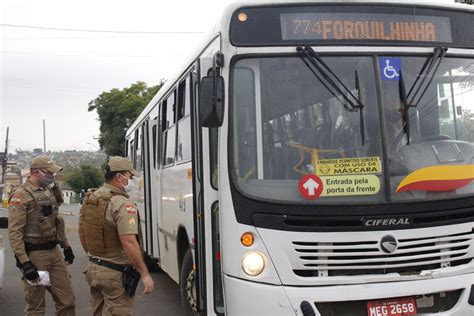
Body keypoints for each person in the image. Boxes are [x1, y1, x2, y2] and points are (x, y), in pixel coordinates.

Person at [79, 156, 153, 315]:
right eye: (130, 176)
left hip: (93, 268)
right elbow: (129, 242)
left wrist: (93, 254)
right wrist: (145, 273)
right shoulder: (122, 203)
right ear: (119, 177)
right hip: (114, 273)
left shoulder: (91, 198)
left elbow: (82, 232)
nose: (131, 179)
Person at [8, 155, 75, 316]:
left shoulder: (49, 191)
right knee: (36, 306)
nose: (52, 176)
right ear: (36, 172)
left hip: (54, 252)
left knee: (67, 301)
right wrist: (25, 263)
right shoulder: (21, 195)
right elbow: (15, 232)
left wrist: (66, 246)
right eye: (49, 173)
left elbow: (56, 221)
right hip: (35, 255)